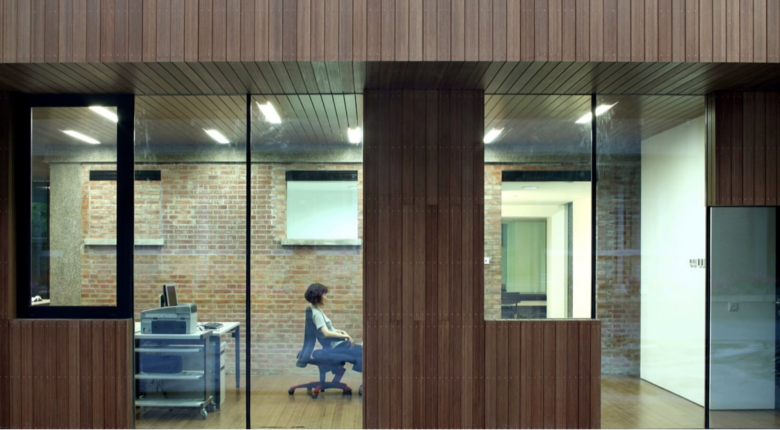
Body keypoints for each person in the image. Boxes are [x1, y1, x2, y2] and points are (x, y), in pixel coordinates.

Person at [304, 283, 362, 372]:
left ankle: (363, 373)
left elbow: (328, 329)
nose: (326, 297)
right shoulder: (317, 314)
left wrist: (343, 332)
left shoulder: (317, 311)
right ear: (317, 296)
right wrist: (346, 336)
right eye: (324, 295)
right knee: (364, 352)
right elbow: (326, 333)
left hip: (337, 344)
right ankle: (365, 377)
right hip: (336, 346)